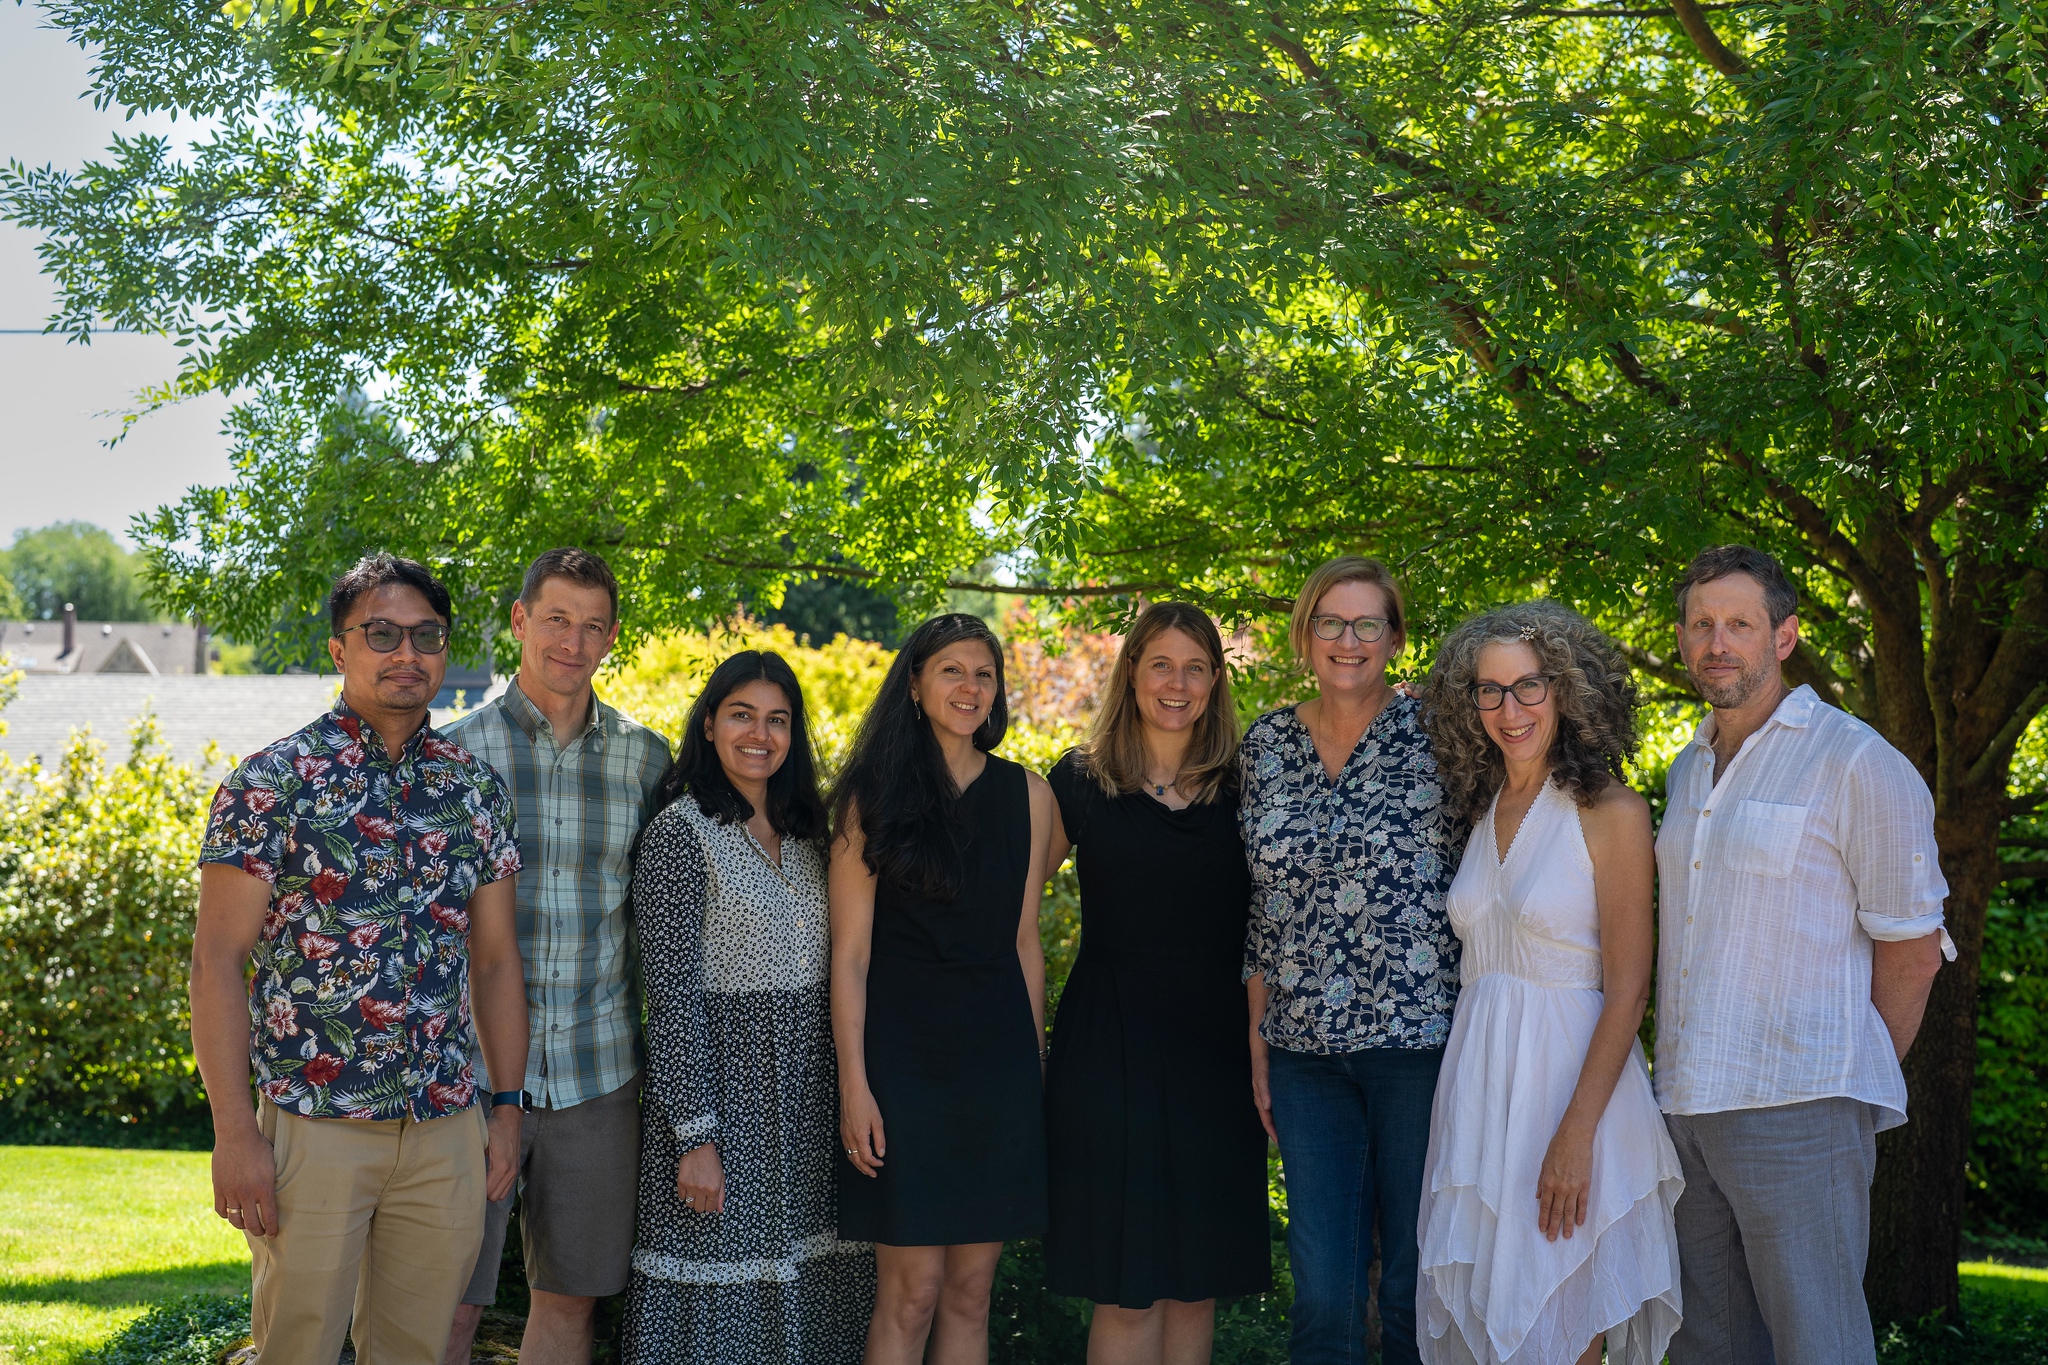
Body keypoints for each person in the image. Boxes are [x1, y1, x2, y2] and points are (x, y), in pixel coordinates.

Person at [190, 552, 528, 1364]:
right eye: (382, 633)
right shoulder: (271, 783)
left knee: (416, 1350)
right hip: (315, 1122)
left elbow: (495, 962)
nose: (407, 652)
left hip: (445, 1120)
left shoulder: (473, 789)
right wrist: (235, 1128)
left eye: (426, 635)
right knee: (297, 1346)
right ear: (340, 649)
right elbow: (215, 964)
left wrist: (507, 1105)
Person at [1654, 545, 1950, 1365]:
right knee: (1707, 1347)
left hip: (1801, 1104)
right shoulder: (1686, 769)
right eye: (1702, 624)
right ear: (1681, 638)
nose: (1719, 642)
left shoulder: (1856, 761)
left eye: (1740, 624)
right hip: (1686, 1105)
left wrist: (1840, 1078)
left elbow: (1914, 949)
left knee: (1819, 1346)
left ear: (1783, 636)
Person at [1415, 601, 1683, 1365]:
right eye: (1490, 690)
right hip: (1480, 1091)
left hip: (1572, 1096)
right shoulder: (1480, 809)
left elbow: (1630, 987)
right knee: (1488, 1330)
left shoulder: (1612, 812)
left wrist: (1575, 1134)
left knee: (1563, 1334)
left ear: (1566, 690)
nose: (1510, 708)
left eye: (1529, 685)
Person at [440, 548, 671, 1365]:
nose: (573, 641)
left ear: (612, 638)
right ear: (519, 622)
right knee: (448, 1307)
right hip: (465, 1079)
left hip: (597, 1074)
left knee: (570, 1304)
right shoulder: (452, 758)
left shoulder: (650, 762)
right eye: (557, 620)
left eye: (593, 625)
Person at [1239, 555, 1464, 1365]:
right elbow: (1258, 909)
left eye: (1368, 622)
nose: (1349, 639)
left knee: (1412, 1289)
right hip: (1304, 1058)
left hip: (1418, 1046)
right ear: (1305, 634)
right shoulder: (1265, 743)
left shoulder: (1443, 734)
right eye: (1330, 621)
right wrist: (1258, 1038)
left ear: (1395, 638)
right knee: (1326, 1297)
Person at [621, 650, 876, 1363]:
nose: (759, 734)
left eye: (777, 719)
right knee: (721, 1304)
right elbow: (669, 999)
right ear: (709, 724)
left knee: (812, 1291)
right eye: (741, 715)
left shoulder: (809, 835)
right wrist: (694, 1136)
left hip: (808, 1106)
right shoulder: (680, 834)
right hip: (724, 1108)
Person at [1042, 601, 1271, 1364]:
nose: (1178, 683)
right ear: (1132, 670)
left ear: (1215, 680)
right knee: (1127, 1283)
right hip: (1110, 1052)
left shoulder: (1246, 787)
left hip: (1216, 1052)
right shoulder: (1078, 780)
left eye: (1195, 667)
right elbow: (999, 907)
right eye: (1161, 664)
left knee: (1194, 1283)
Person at [830, 613, 1055, 1365]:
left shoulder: (1029, 793)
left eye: (984, 673)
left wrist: (1036, 1067)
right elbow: (851, 956)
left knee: (969, 1292)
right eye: (953, 670)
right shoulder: (871, 797)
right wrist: (854, 1085)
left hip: (996, 1066)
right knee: (914, 1290)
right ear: (917, 683)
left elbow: (1025, 943)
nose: (970, 686)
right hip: (903, 1066)